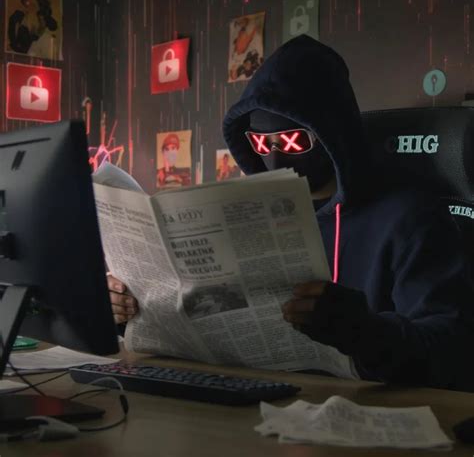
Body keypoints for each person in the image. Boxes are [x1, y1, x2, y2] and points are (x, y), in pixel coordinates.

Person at [109, 35, 474, 391]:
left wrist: (365, 331)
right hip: (249, 403)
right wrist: (129, 310)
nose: (274, 157)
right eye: (260, 143)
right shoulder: (239, 215)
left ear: (332, 135)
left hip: (365, 408)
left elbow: (450, 348)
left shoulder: (411, 218)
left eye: (293, 141)